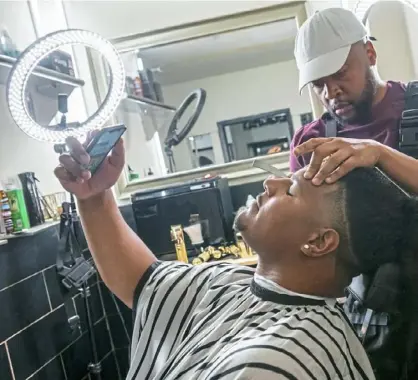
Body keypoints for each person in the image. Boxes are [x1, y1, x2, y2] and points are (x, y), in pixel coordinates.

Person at [54, 133, 418, 379]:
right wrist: (93, 196)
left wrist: (381, 151)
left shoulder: (279, 362)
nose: (269, 183)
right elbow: (142, 281)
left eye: (290, 190)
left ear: (319, 242)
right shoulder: (229, 282)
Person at [290, 7, 418, 195]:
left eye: (340, 73)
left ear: (370, 54)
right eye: (318, 84)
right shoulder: (309, 144)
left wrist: (379, 154)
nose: (330, 92)